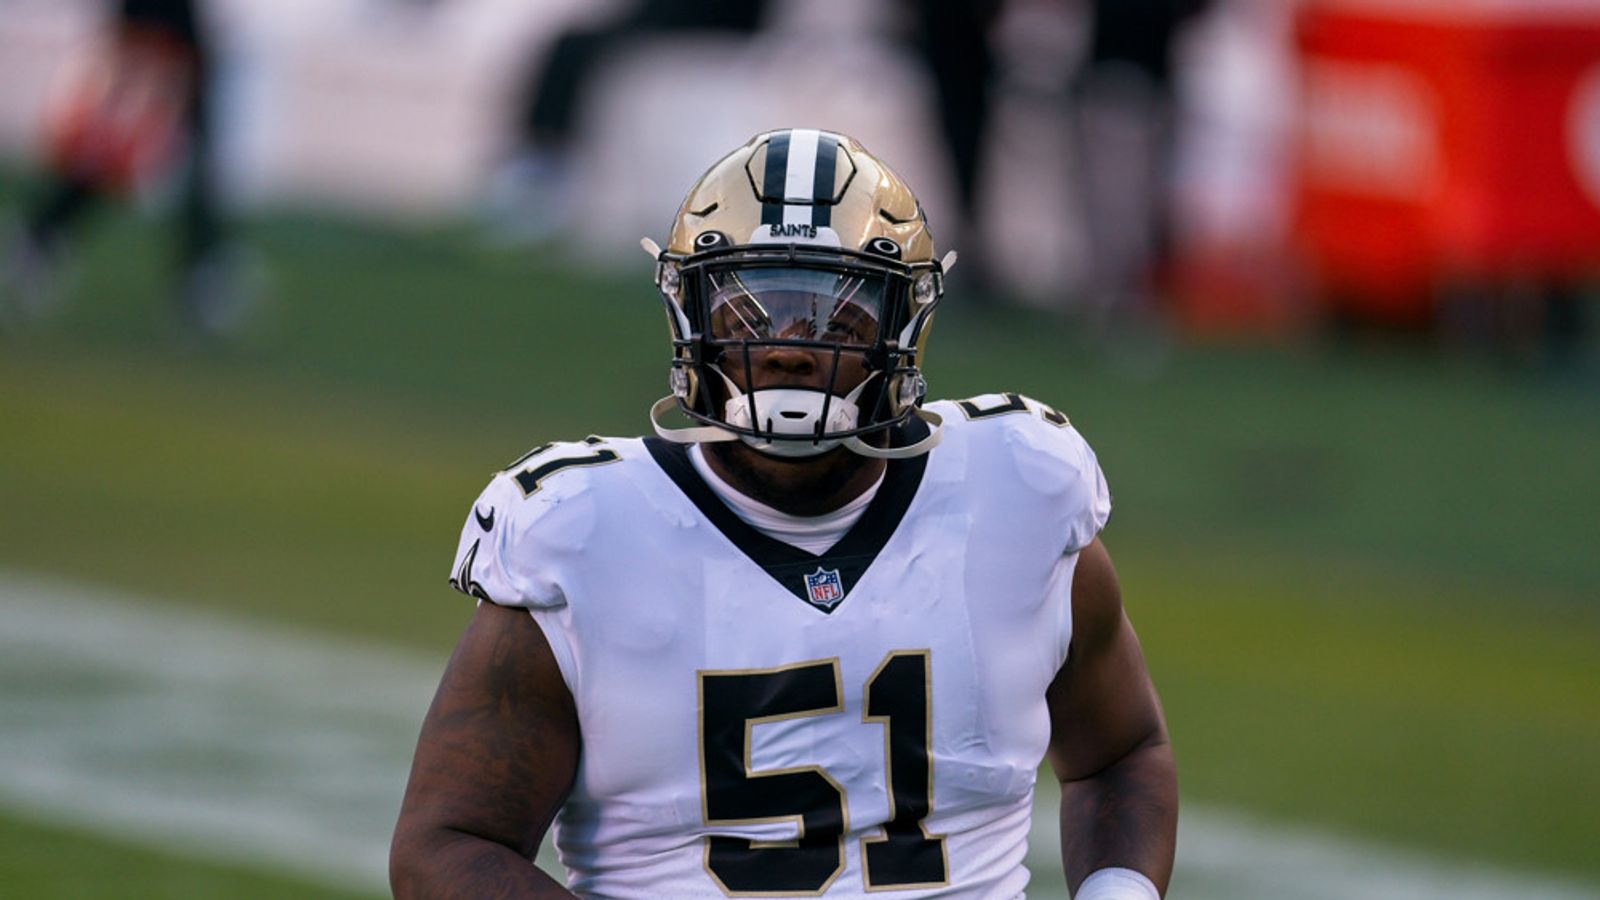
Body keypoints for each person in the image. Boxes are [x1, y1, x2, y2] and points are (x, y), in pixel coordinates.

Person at [392, 129, 1176, 898]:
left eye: (840, 310)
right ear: (689, 311)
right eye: (749, 306)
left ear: (906, 319)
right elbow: (448, 845)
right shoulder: (581, 529)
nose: (790, 343)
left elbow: (1122, 753)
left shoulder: (1019, 488)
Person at [1, 0, 244, 337]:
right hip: (158, 32)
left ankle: (201, 265)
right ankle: (43, 235)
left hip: (172, 34)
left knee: (187, 160)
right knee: (121, 149)